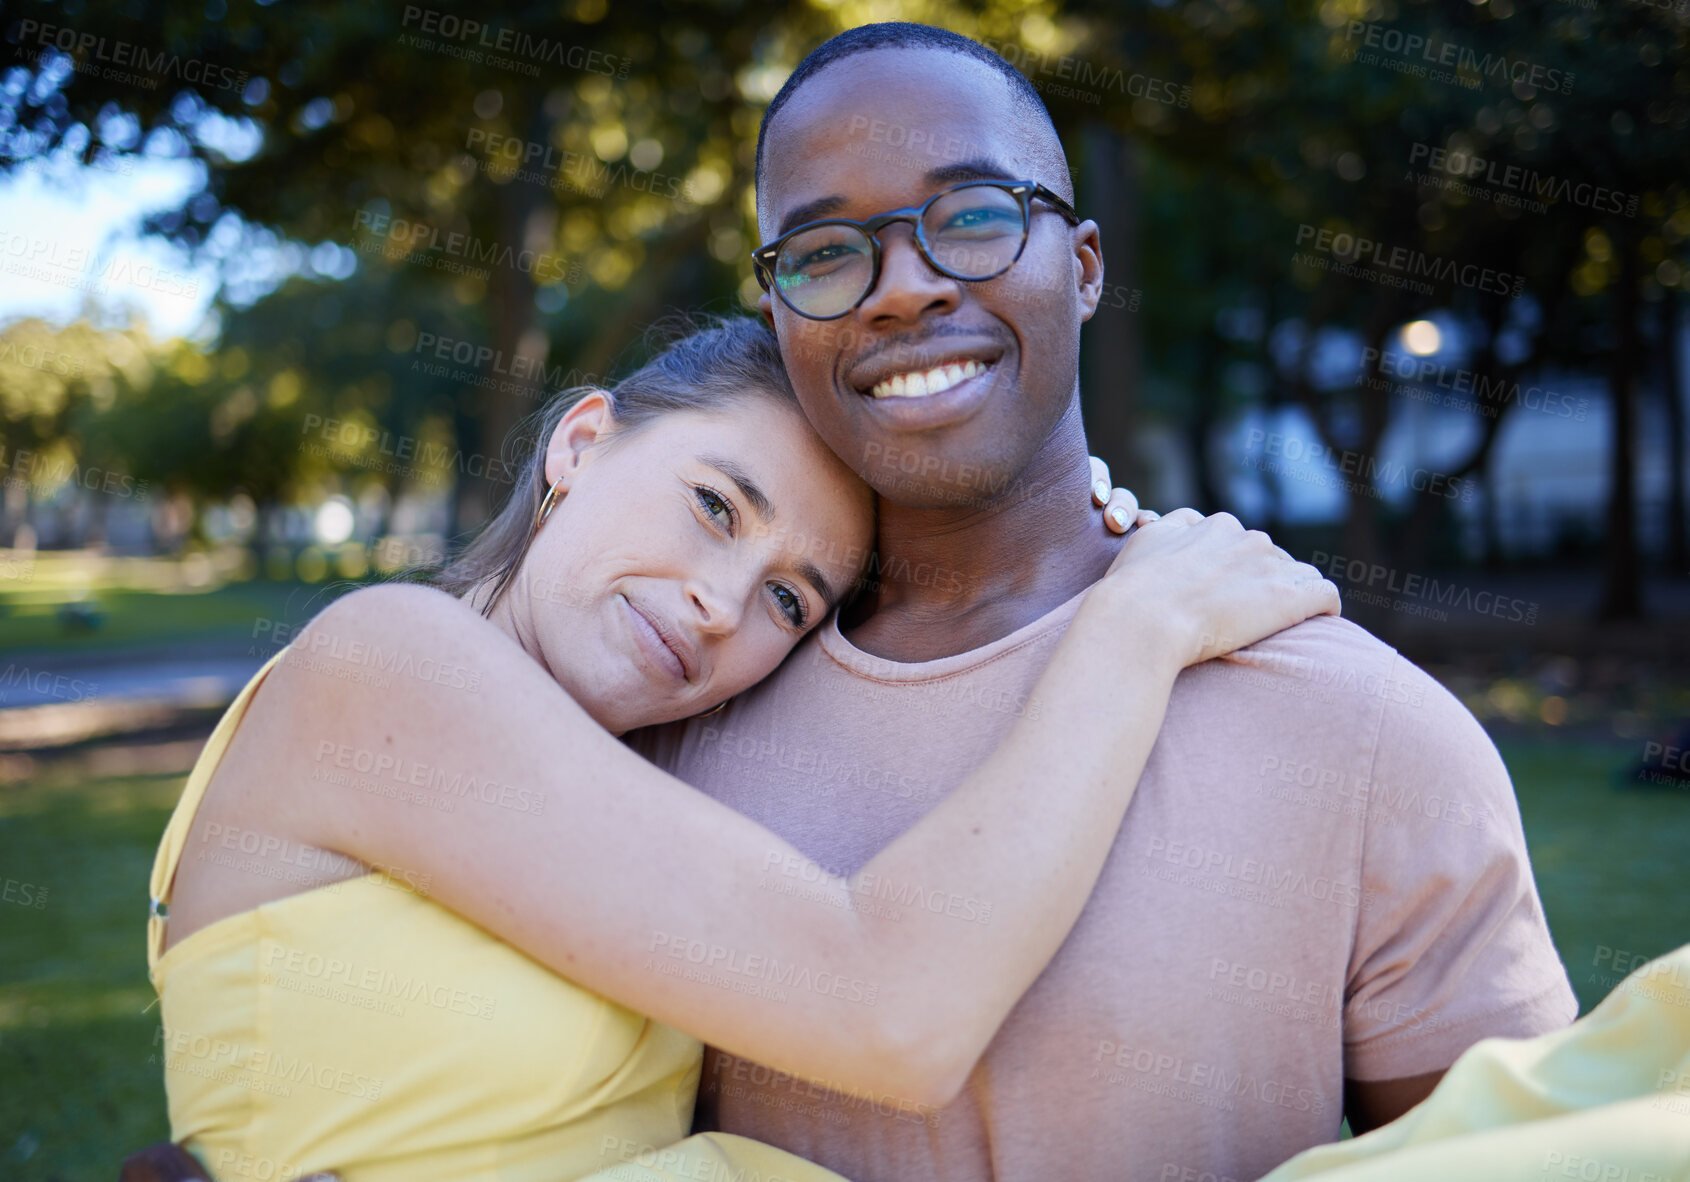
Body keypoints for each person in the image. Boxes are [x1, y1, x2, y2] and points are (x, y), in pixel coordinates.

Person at [622, 24, 1581, 1182]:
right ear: (777, 309)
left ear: (1080, 267)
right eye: (826, 251)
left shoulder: (1368, 731)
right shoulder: (662, 713)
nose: (906, 287)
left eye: (971, 215)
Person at [141, 316, 1337, 1181]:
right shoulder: (383, 662)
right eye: (716, 506)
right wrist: (1132, 628)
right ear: (581, 444)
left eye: (788, 601)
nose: (721, 603)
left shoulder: (632, 766)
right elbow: (894, 1014)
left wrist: (1053, 531)